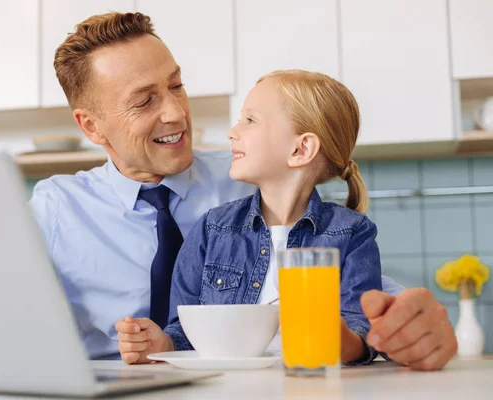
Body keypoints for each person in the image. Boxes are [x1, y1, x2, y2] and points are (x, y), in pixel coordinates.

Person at [30, 11, 457, 370]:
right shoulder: (55, 209)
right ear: (91, 125)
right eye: (144, 101)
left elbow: (343, 286)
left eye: (176, 85)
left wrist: (412, 323)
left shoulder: (247, 176)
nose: (177, 113)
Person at [117, 69, 384, 365]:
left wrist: (336, 335)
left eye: (250, 120)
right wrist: (162, 342)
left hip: (311, 386)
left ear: (300, 149)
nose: (233, 131)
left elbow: (363, 334)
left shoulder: (352, 234)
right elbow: (184, 332)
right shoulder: (212, 229)